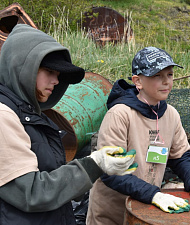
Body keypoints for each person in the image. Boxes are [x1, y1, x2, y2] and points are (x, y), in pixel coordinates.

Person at [0, 24, 137, 225]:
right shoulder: (5, 115)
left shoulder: (29, 114)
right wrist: (93, 165)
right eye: (49, 71)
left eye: (58, 74)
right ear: (21, 67)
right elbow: (31, 193)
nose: (56, 81)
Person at [86, 46, 190, 225]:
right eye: (157, 76)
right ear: (138, 81)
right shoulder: (120, 114)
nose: (166, 81)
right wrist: (153, 194)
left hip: (147, 208)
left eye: (169, 75)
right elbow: (110, 171)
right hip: (113, 212)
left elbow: (181, 157)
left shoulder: (171, 115)